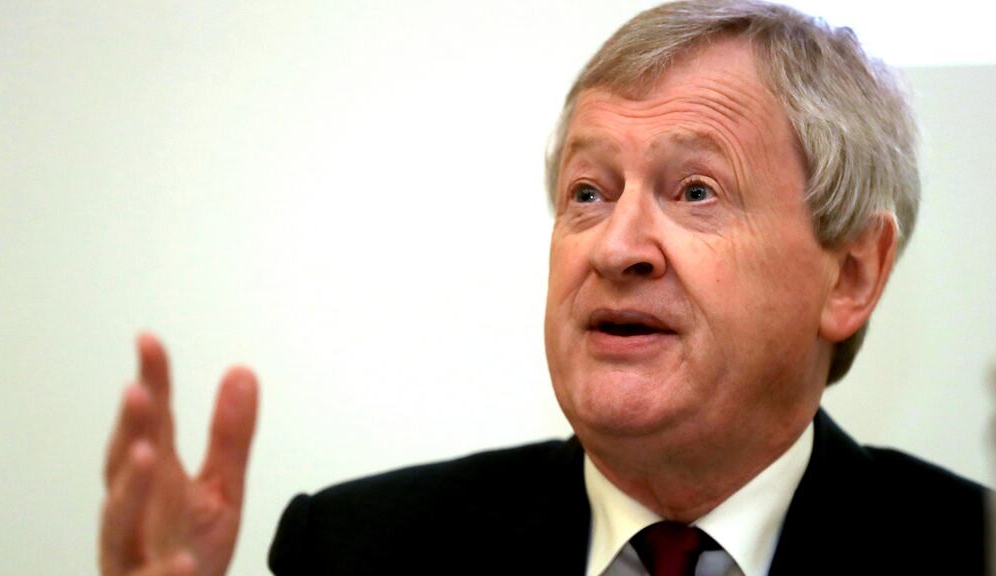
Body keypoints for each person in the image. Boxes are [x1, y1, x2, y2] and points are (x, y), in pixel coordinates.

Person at [99, 1, 988, 575]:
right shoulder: (357, 551)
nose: (618, 247)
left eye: (695, 192)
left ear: (852, 273)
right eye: (588, 194)